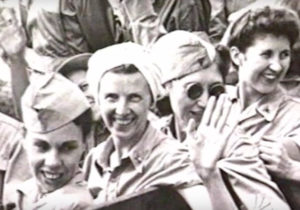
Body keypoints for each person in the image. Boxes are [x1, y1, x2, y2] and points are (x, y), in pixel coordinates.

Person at [84, 42, 238, 209]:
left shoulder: (172, 159)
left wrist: (210, 175)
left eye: (134, 98)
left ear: (151, 101)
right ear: (98, 100)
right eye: (112, 98)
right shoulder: (95, 158)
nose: (122, 110)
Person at [150, 30, 290, 210]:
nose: (205, 101)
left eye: (215, 90)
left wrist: (211, 174)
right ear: (167, 87)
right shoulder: (157, 135)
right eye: (194, 90)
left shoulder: (233, 144)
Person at [222, 5, 300, 209]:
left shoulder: (296, 115)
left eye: (284, 54)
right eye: (266, 54)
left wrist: (292, 169)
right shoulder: (216, 102)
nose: (277, 66)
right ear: (237, 56)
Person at [11, 72, 93, 209]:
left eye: (67, 148)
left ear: (85, 143)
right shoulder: (27, 191)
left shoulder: (77, 204)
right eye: (42, 146)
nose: (53, 162)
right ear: (23, 137)